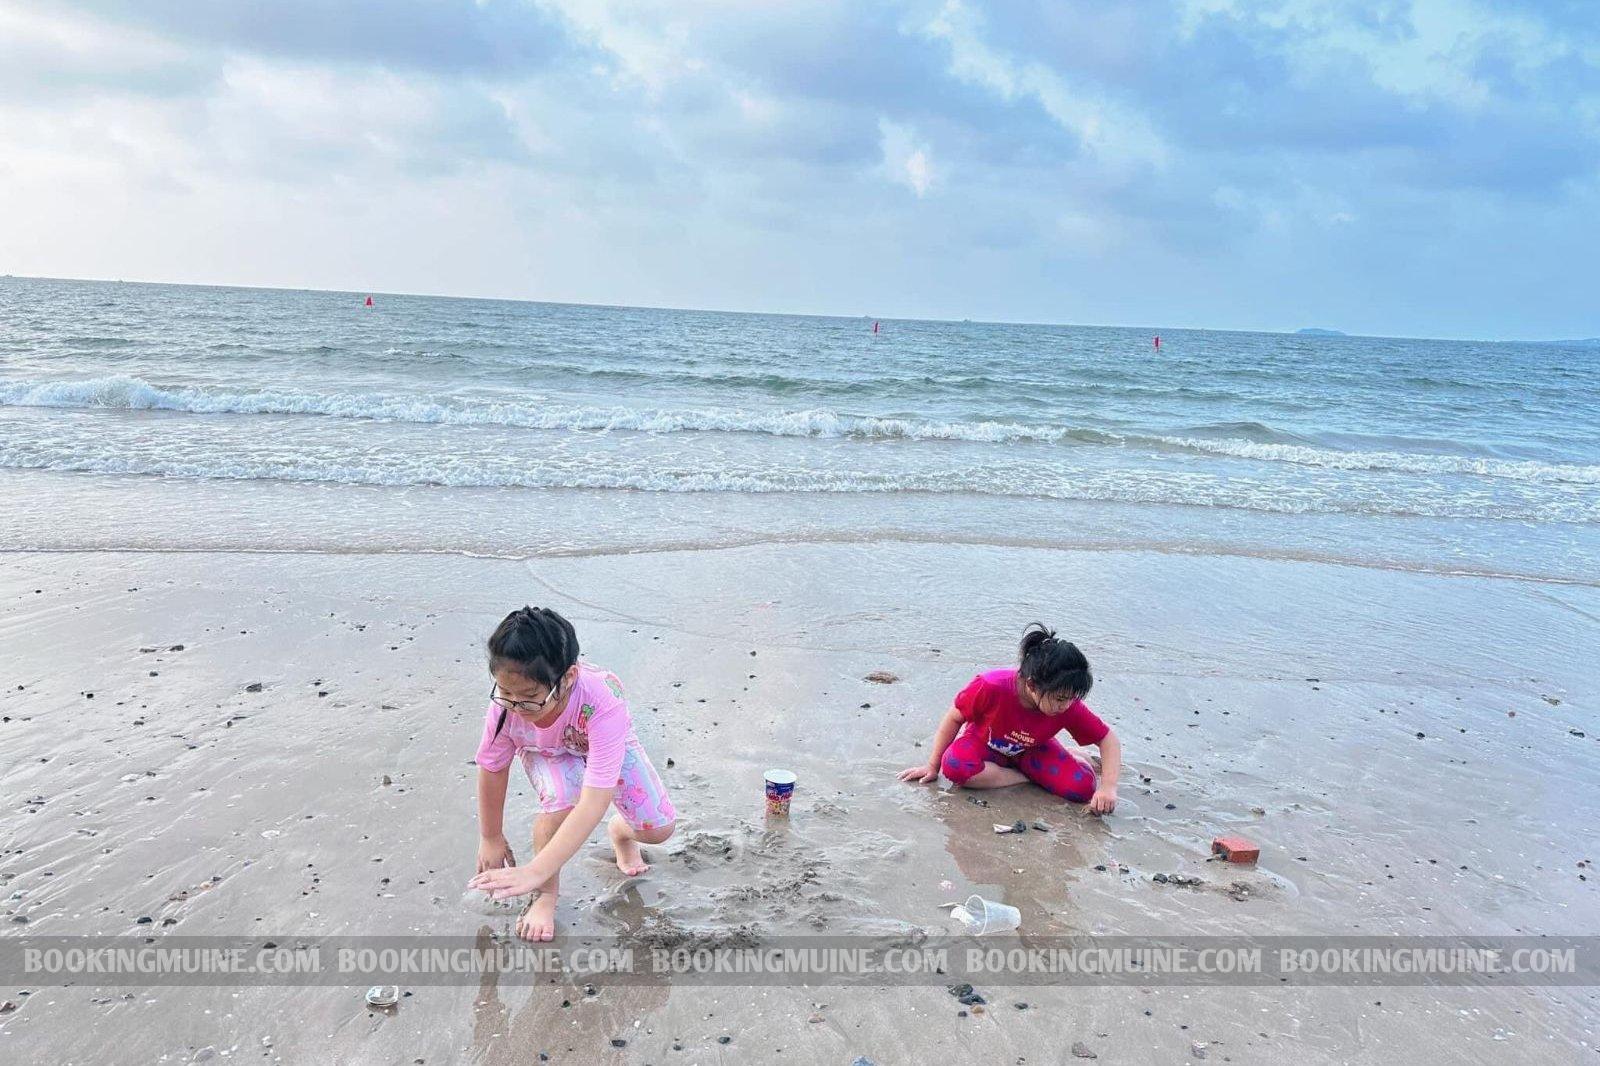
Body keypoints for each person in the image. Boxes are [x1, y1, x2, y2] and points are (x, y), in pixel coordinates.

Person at [468, 607, 676, 940]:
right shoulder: (505, 711)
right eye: (505, 692)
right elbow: (493, 768)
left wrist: (532, 870)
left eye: (530, 697)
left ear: (567, 678)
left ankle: (621, 833)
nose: (516, 706)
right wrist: (491, 836)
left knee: (659, 829)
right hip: (544, 750)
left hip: (601, 742)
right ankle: (546, 895)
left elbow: (595, 800)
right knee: (561, 803)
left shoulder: (603, 700)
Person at [898, 623, 1121, 813]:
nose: (1066, 706)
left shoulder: (1067, 705)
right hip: (984, 744)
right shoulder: (991, 686)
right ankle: (1026, 777)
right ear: (1032, 684)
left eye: (1072, 698)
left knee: (1082, 789)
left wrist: (1108, 787)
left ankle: (1076, 758)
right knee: (955, 766)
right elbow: (954, 717)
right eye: (1060, 699)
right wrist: (932, 765)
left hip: (1033, 750)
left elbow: (1107, 738)